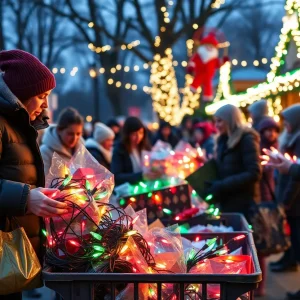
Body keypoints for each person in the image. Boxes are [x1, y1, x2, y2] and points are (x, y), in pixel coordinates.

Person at [0, 50, 68, 299]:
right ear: (21, 94)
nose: (46, 104)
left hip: (13, 253)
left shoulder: (21, 126)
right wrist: (27, 197)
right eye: (42, 96)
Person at [207, 104, 261, 216]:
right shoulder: (222, 140)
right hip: (227, 202)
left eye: (219, 121)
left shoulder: (246, 139)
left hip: (243, 204)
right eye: (215, 121)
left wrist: (222, 185)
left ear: (230, 120)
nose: (216, 125)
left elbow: (254, 172)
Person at [269, 105, 300, 274]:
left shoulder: (298, 139)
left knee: (296, 238)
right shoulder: (290, 136)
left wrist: (287, 200)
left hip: (295, 201)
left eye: (287, 120)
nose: (285, 124)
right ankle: (290, 260)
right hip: (290, 198)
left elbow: (296, 176)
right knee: (293, 238)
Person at [111, 117, 160, 186]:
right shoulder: (119, 149)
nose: (138, 137)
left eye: (141, 133)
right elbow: (117, 177)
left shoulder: (146, 146)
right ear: (127, 134)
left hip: (147, 186)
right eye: (134, 134)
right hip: (129, 190)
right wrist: (141, 176)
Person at [40, 107, 84, 175]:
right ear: (59, 130)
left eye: (78, 134)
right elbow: (45, 181)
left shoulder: (82, 150)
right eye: (70, 134)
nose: (75, 138)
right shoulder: (45, 152)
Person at [258, 117, 280, 201]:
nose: (272, 134)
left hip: (274, 185)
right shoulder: (259, 147)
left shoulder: (277, 145)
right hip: (263, 185)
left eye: (275, 131)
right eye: (269, 130)